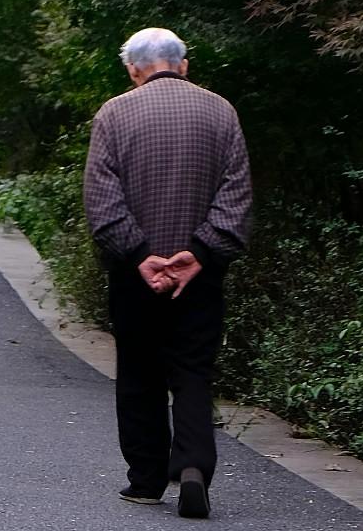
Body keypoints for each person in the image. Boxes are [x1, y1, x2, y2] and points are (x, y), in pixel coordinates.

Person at [82, 28, 252, 519]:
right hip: (200, 274)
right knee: (193, 369)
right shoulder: (221, 111)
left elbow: (101, 198)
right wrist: (198, 253)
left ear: (134, 70)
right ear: (183, 64)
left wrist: (140, 255)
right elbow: (236, 194)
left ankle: (146, 480)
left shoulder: (114, 113)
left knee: (139, 371)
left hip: (135, 272)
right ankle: (195, 466)